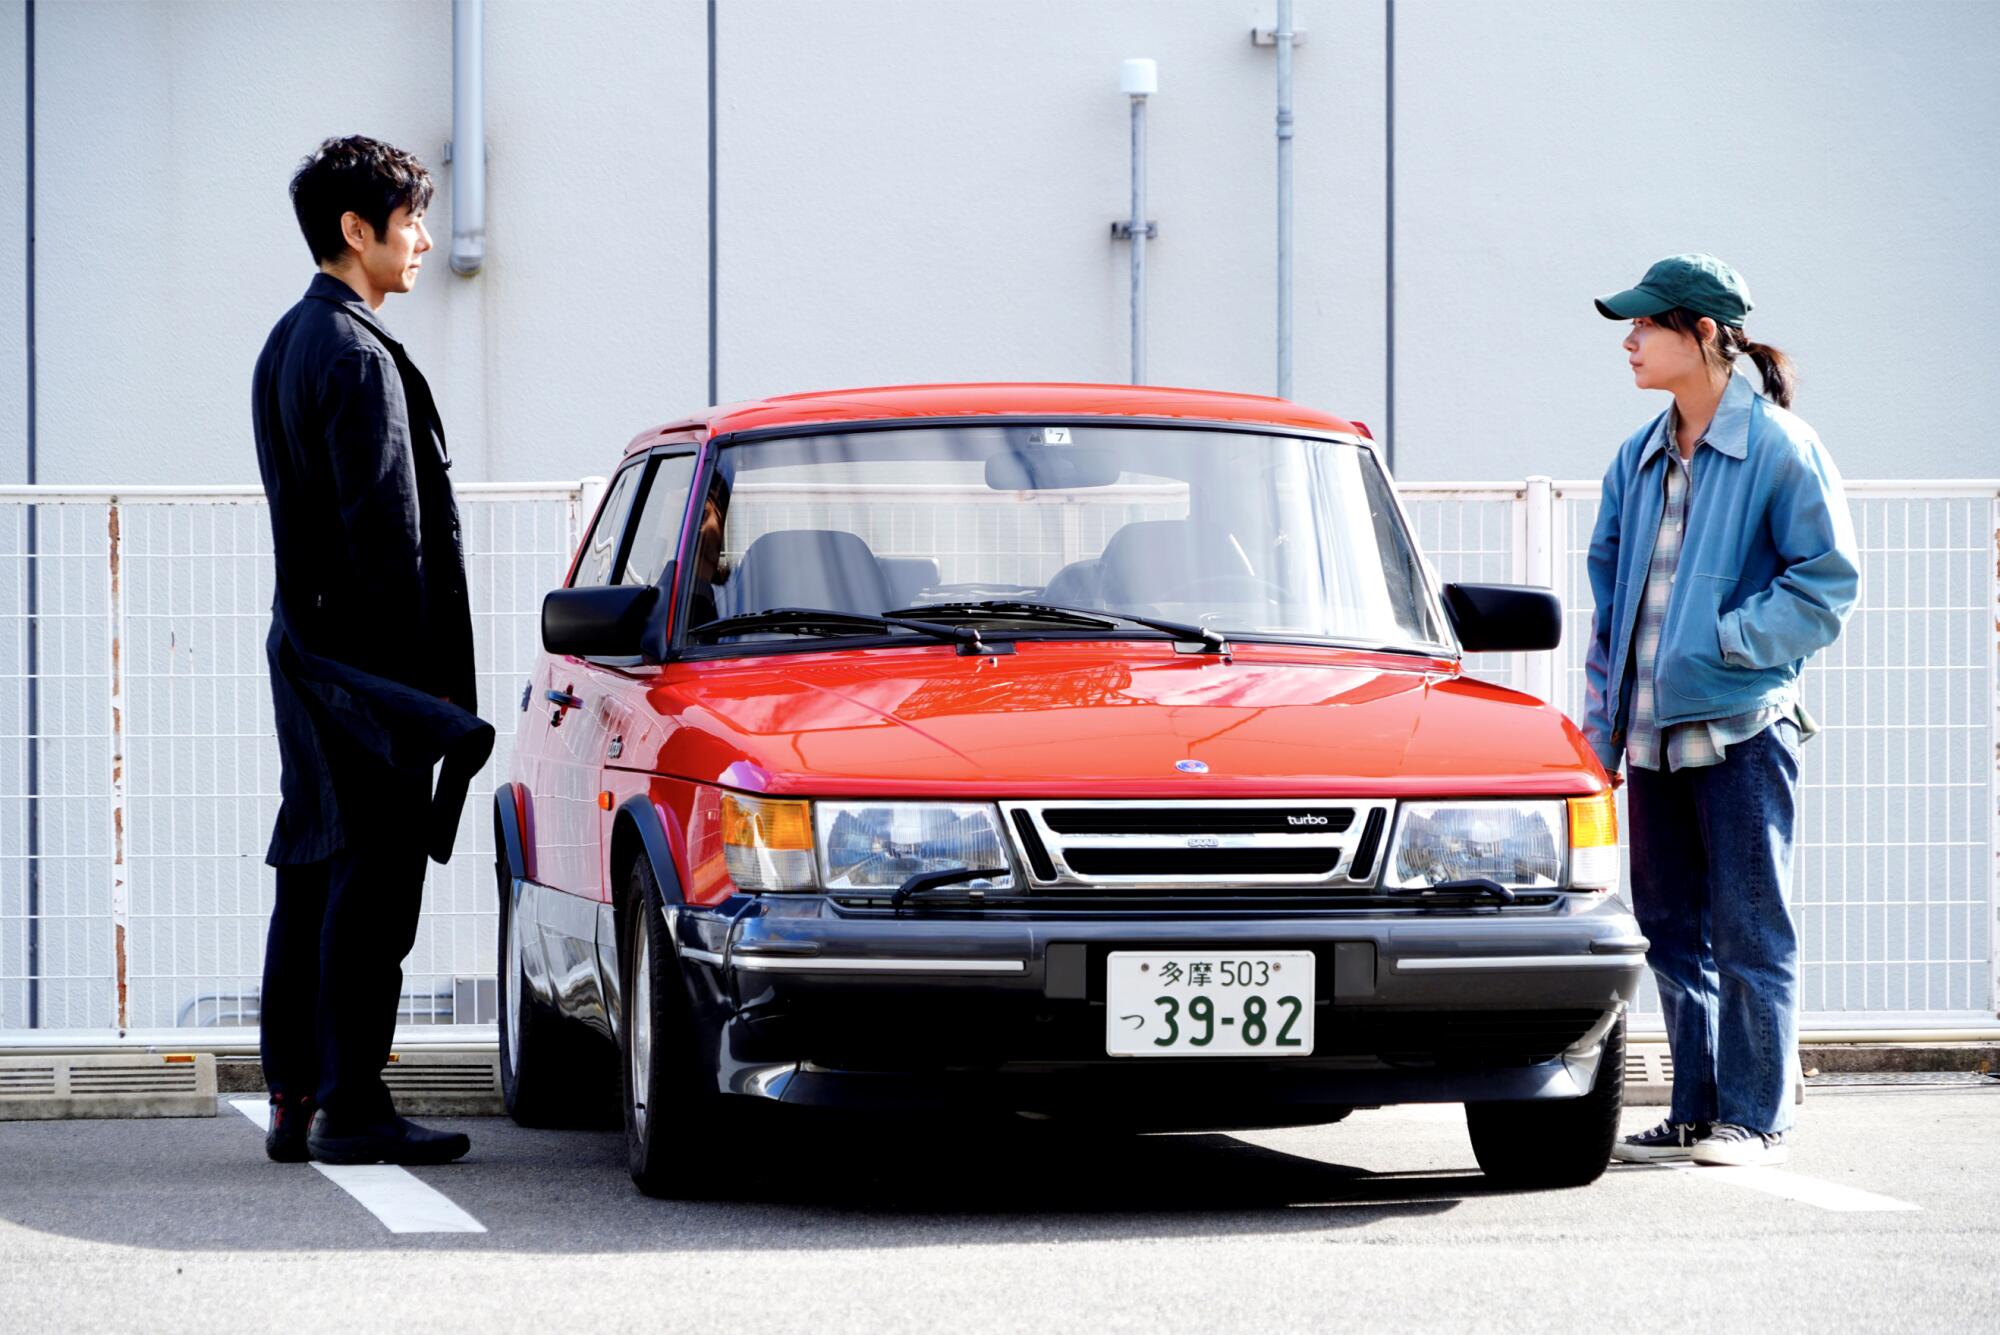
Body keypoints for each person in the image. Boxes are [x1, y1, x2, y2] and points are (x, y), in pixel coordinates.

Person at [1583, 255, 1857, 1168]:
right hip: (1655, 736)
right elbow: (1609, 600)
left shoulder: (1780, 445)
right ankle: (1696, 1106)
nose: (1629, 340)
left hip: (1742, 728)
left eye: (1645, 325)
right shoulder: (1639, 453)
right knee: (1669, 927)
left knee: (1749, 924)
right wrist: (1603, 724)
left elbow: (1826, 585)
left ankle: (1758, 1113)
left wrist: (1726, 642)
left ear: (1703, 334)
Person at [250, 136, 494, 1165]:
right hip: (368, 671)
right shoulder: (354, 354)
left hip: (310, 653)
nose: (426, 241)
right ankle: (352, 1104)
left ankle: (299, 1095)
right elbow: (386, 539)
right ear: (358, 231)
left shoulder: (289, 342)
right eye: (411, 221)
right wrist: (417, 700)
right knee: (372, 882)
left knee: (313, 864)